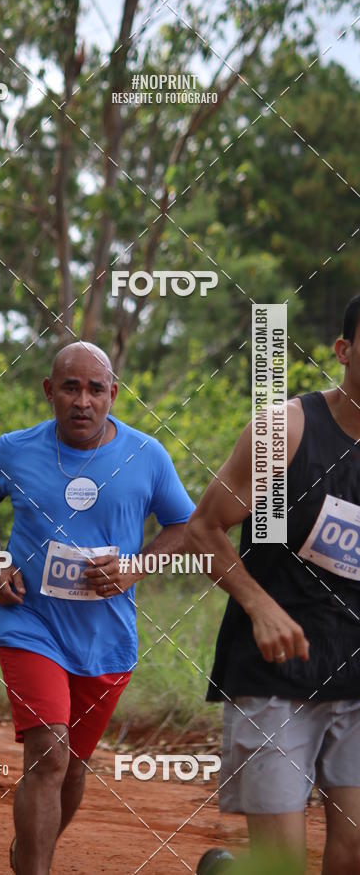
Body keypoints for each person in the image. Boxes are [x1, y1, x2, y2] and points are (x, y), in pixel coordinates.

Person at [0, 341, 194, 875]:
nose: (81, 400)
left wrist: (136, 567)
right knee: (50, 753)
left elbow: (186, 526)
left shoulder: (147, 456)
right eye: (69, 387)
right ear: (49, 392)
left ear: (113, 393)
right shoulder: (12, 450)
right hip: (30, 621)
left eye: (94, 388)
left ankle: (28, 854)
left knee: (74, 768)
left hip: (106, 637)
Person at [185, 295, 360, 874]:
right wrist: (260, 607)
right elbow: (205, 529)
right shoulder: (284, 431)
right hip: (275, 674)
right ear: (344, 350)